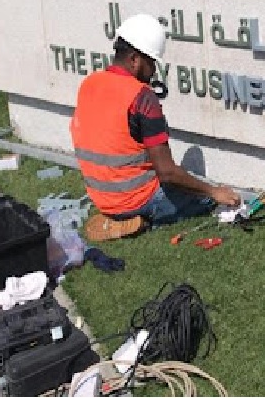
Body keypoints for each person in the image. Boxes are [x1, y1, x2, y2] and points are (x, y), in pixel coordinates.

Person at [71, 13, 240, 240]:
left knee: (195, 184)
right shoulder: (141, 96)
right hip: (137, 199)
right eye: (151, 63)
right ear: (134, 59)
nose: (153, 72)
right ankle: (144, 220)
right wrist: (213, 192)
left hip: (101, 197)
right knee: (208, 196)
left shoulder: (89, 83)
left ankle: (120, 219)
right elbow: (167, 173)